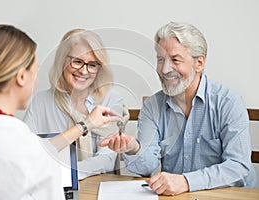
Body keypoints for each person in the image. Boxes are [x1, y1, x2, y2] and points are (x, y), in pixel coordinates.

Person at [0, 24, 121, 200]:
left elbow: (42, 149)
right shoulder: (35, 156)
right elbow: (40, 152)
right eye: (35, 71)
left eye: (92, 64)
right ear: (22, 77)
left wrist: (86, 124)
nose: (84, 70)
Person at [100, 21, 256, 195]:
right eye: (160, 60)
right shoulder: (152, 106)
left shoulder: (228, 102)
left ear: (199, 63)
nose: (165, 69)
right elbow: (147, 166)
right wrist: (133, 148)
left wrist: (187, 181)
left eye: (175, 60)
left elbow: (238, 166)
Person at [23, 28, 127, 180]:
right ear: (61, 61)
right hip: (52, 187)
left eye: (92, 64)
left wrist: (64, 173)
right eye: (77, 62)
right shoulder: (40, 102)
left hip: (96, 187)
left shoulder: (112, 100)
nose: (84, 71)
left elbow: (107, 160)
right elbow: (27, 153)